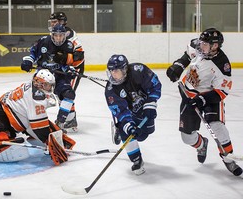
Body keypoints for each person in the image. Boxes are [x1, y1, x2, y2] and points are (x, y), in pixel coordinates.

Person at [166, 28, 242, 176]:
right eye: (201, 43)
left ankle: (228, 159)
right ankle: (202, 144)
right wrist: (177, 67)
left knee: (217, 127)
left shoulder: (222, 64)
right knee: (187, 137)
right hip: (189, 95)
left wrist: (202, 99)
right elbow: (186, 56)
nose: (201, 46)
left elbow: (222, 91)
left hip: (210, 97)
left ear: (215, 46)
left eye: (205, 44)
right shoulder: (198, 45)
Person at [0, 69, 75, 165]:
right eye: (46, 85)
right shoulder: (37, 98)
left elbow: (38, 120)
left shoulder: (33, 86)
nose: (48, 88)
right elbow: (39, 127)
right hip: (3, 114)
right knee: (4, 141)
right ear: (39, 83)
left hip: (22, 118)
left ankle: (36, 138)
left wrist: (50, 141)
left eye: (49, 85)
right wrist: (50, 143)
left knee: (46, 126)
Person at [20, 24, 84, 133]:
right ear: (52, 35)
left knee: (69, 94)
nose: (58, 38)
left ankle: (60, 123)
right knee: (35, 97)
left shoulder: (69, 45)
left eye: (61, 36)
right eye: (56, 35)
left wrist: (70, 69)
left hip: (60, 75)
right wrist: (28, 61)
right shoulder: (43, 41)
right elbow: (32, 54)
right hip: (43, 74)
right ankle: (31, 121)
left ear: (65, 35)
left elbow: (69, 63)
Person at [104, 54, 162, 175]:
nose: (113, 74)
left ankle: (125, 129)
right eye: (111, 71)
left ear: (125, 70)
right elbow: (120, 111)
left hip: (144, 107)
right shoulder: (110, 89)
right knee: (128, 131)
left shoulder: (138, 71)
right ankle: (137, 160)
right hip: (130, 113)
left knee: (143, 135)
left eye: (116, 71)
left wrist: (150, 104)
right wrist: (128, 125)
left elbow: (155, 85)